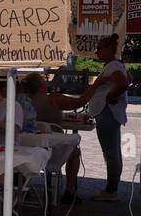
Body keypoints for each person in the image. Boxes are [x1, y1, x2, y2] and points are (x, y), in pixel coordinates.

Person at [76, 34, 131, 201]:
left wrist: (112, 96)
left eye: (99, 48)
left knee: (110, 152)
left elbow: (123, 82)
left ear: (109, 49)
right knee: (112, 151)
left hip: (107, 112)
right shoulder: (114, 65)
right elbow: (128, 79)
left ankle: (111, 190)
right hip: (107, 112)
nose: (97, 51)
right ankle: (111, 188)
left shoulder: (113, 66)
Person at [21, 71, 83, 204]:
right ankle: (70, 190)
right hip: (53, 149)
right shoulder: (53, 99)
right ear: (42, 85)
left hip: (29, 149)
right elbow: (80, 102)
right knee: (76, 151)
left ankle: (23, 187)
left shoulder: (22, 102)